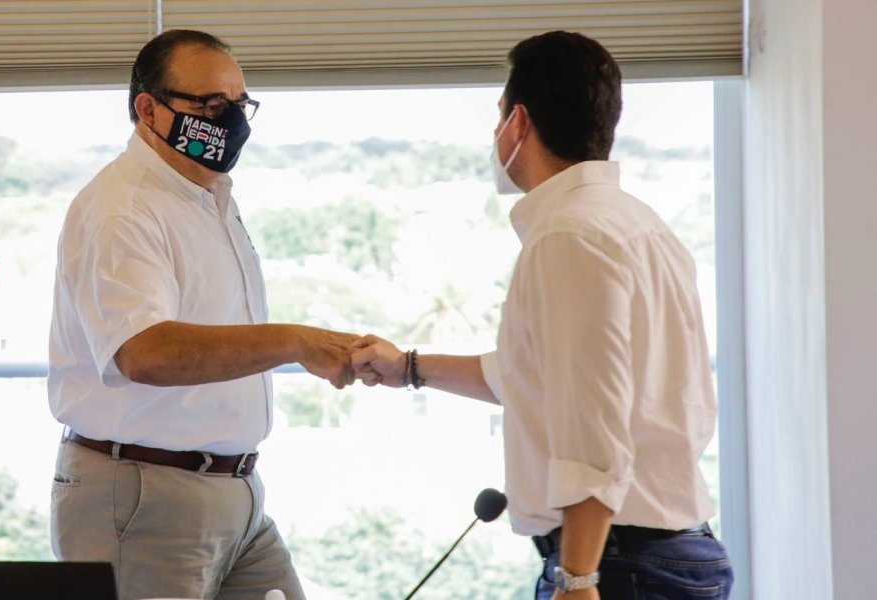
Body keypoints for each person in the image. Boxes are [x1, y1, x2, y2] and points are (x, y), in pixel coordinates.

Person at [350, 31, 733, 600]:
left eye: (498, 116)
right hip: (661, 552)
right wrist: (406, 366)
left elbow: (592, 423)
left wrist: (577, 579)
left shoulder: (569, 236)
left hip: (615, 564)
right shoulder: (635, 222)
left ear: (518, 123)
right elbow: (534, 377)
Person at [48, 29, 357, 600]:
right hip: (146, 498)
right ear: (149, 110)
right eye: (211, 105)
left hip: (236, 492)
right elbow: (145, 351)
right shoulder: (123, 208)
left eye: (240, 103)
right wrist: (294, 341)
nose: (231, 120)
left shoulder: (207, 197)